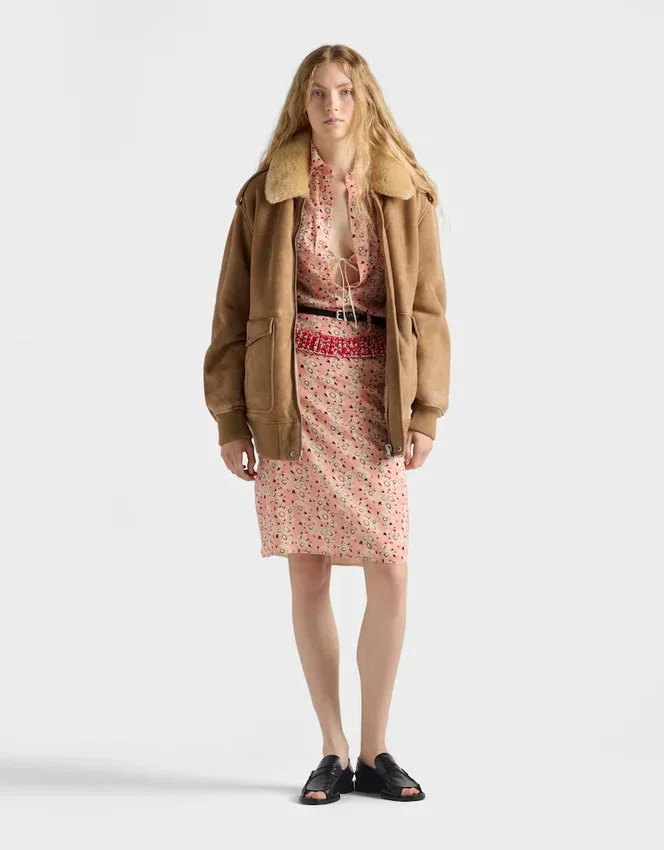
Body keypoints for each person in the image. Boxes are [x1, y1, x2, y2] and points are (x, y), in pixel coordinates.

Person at [203, 44, 451, 804]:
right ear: (301, 103)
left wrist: (427, 409)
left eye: (345, 91)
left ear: (365, 99)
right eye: (318, 93)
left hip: (376, 395)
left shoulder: (405, 192)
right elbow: (232, 310)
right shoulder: (268, 194)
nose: (332, 105)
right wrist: (230, 418)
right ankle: (333, 749)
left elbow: (429, 309)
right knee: (307, 570)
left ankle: (377, 749)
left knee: (391, 569)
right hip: (292, 396)